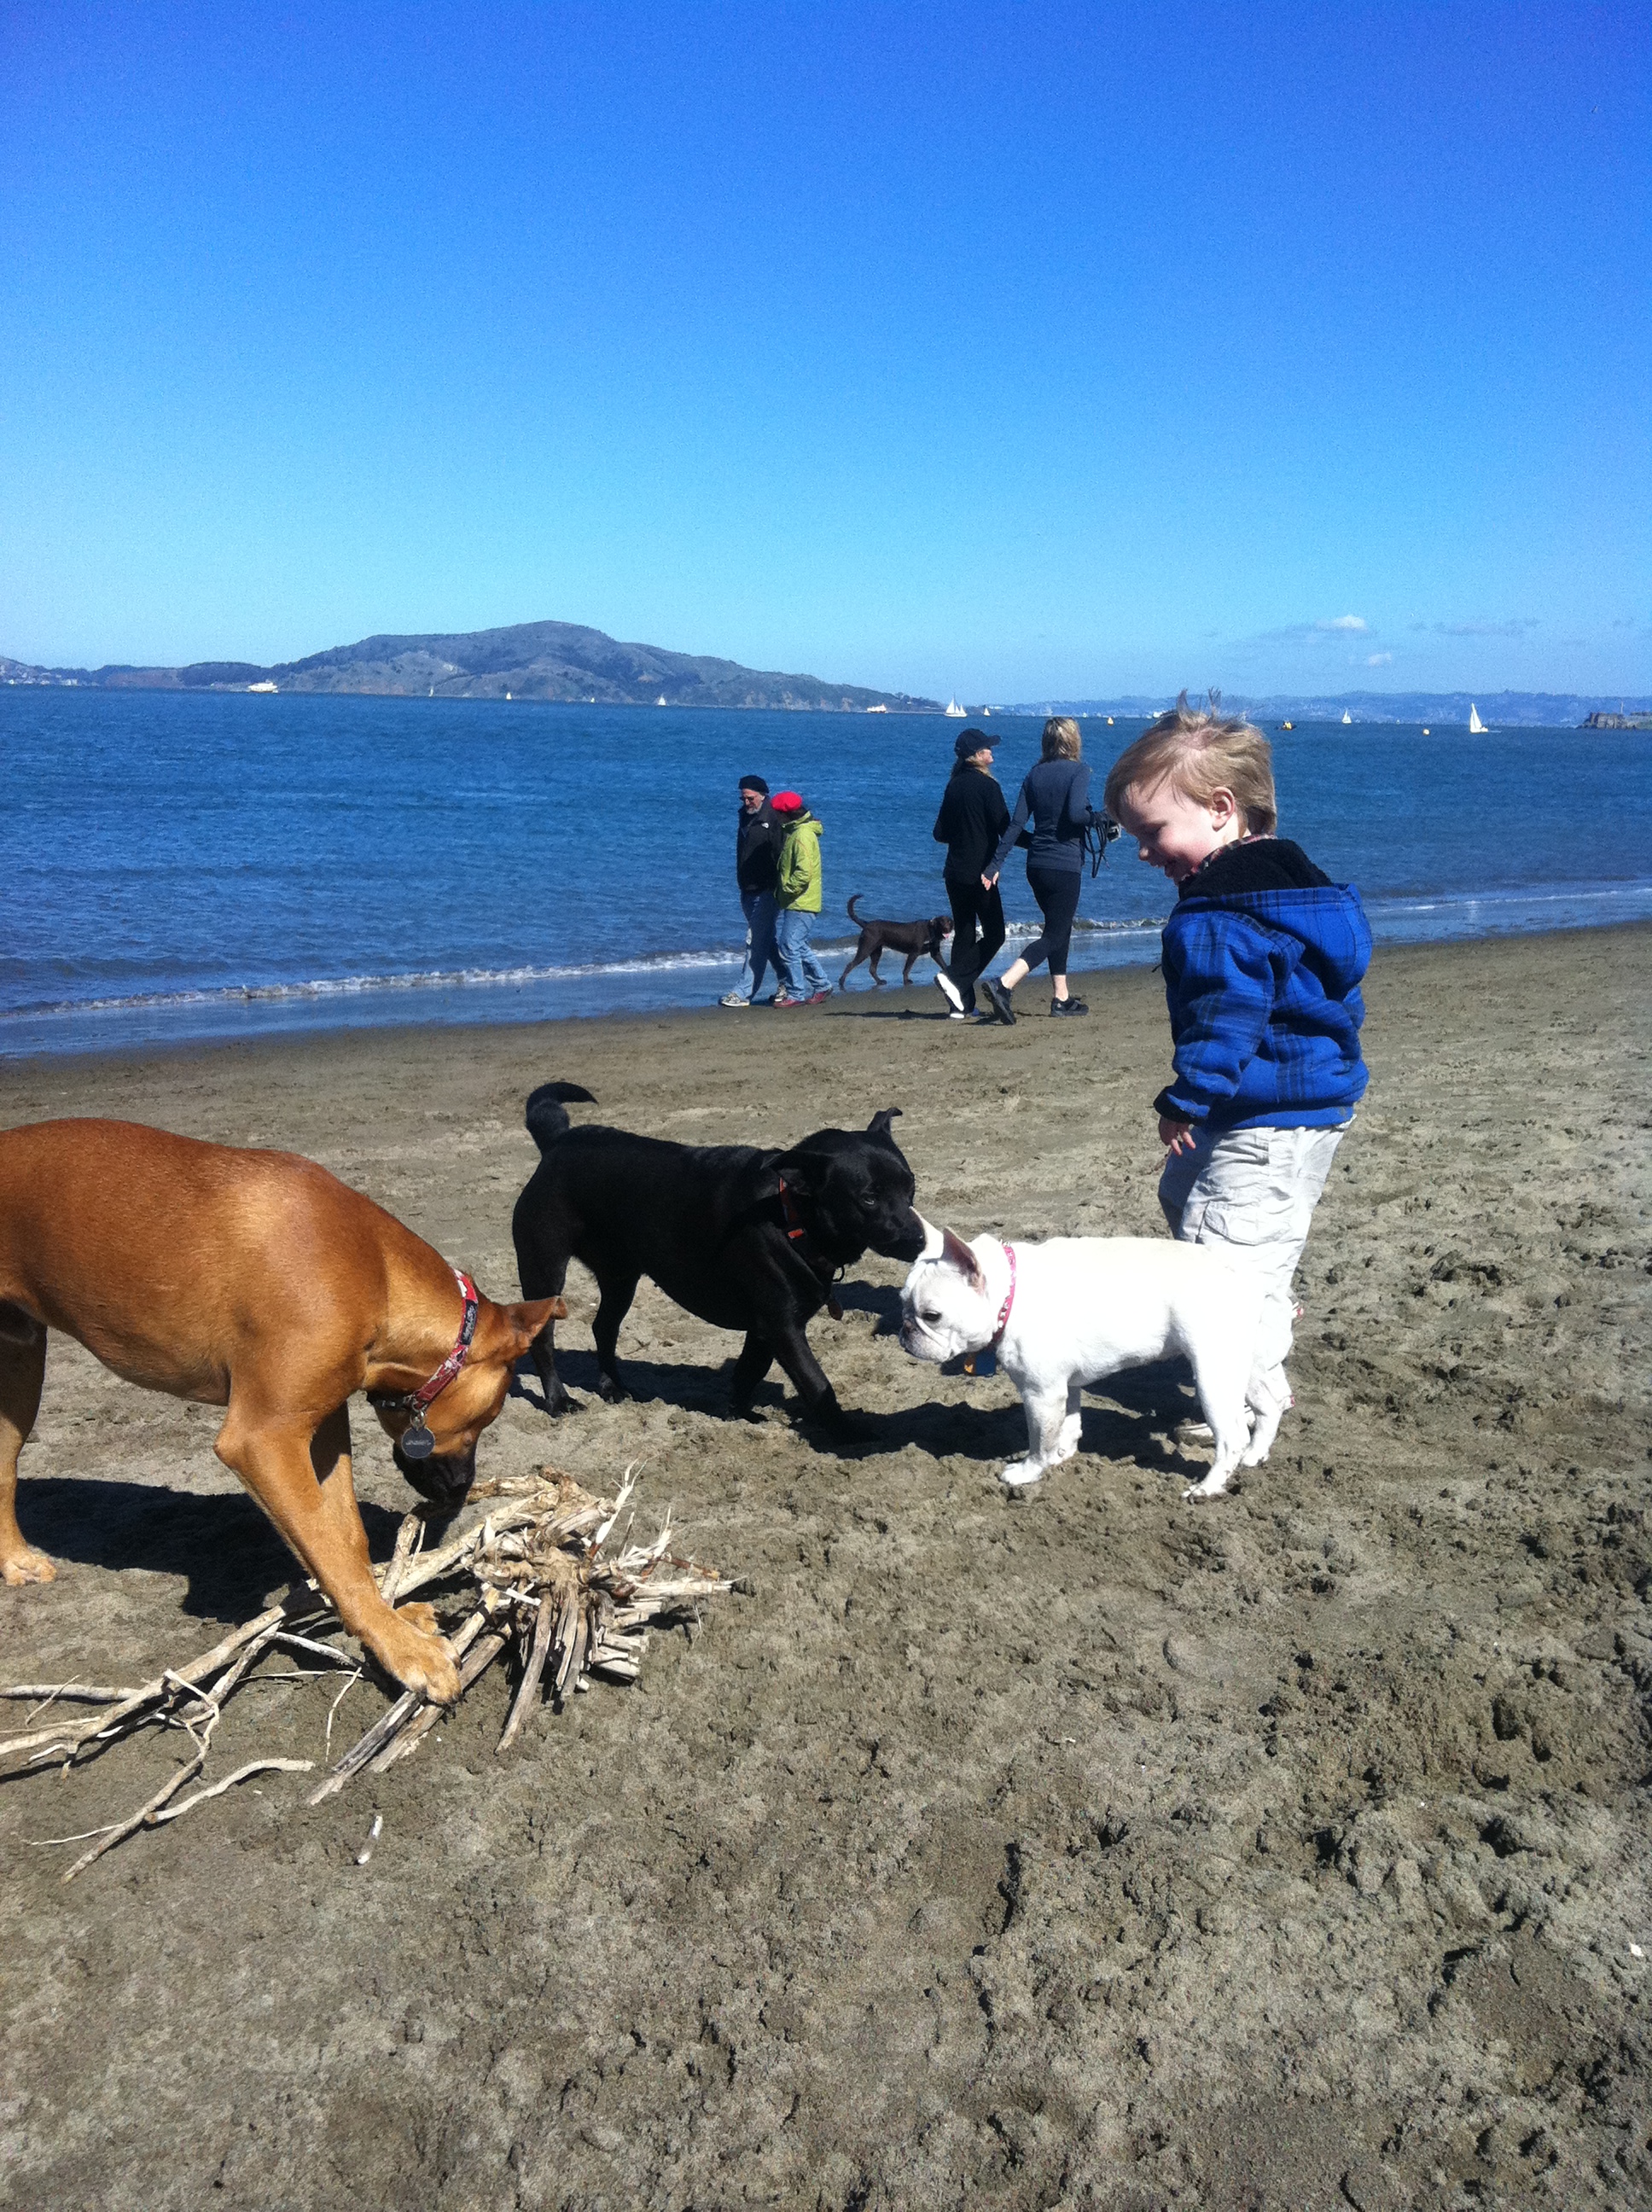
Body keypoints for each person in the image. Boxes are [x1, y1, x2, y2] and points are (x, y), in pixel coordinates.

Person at [1103, 694, 1371, 1453]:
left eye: (1152, 831)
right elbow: (1329, 996)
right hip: (1305, 1107)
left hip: (1266, 1113)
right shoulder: (1300, 890)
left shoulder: (1218, 916)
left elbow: (1226, 1022)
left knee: (1226, 1268)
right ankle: (1267, 1297)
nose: (1144, 851)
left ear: (1221, 809)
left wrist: (1184, 1101)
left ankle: (1251, 1399)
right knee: (1190, 1202)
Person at [980, 716, 1096, 1023]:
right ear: (1073, 741)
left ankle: (1061, 998)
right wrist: (1097, 817)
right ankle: (1004, 984)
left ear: (1046, 742)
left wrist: (996, 863)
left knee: (1058, 928)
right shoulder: (1080, 771)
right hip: (1065, 865)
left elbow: (1016, 824)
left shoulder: (1034, 775)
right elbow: (1076, 813)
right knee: (1056, 933)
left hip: (1037, 865)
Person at [932, 728, 1009, 1020]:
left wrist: (964, 833)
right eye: (988, 748)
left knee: (964, 933)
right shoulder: (989, 788)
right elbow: (1006, 828)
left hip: (954, 873)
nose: (992, 752)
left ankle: (960, 1005)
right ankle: (954, 978)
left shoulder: (954, 785)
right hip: (981, 875)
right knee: (995, 934)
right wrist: (1037, 840)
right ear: (978, 756)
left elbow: (939, 833)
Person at [719, 774, 779, 1008]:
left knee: (754, 940)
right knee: (767, 940)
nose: (746, 803)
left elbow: (779, 853)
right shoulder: (744, 816)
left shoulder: (773, 817)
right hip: (747, 888)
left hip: (768, 890)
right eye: (743, 798)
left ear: (762, 795)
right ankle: (790, 981)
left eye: (750, 798)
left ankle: (743, 993)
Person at [771, 790, 830, 1005]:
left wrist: (786, 889)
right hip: (800, 901)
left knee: (788, 946)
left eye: (776, 813)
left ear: (786, 814)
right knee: (797, 945)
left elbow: (803, 873)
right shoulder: (797, 832)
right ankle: (822, 984)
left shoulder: (802, 835)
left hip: (801, 901)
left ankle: (796, 993)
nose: (774, 817)